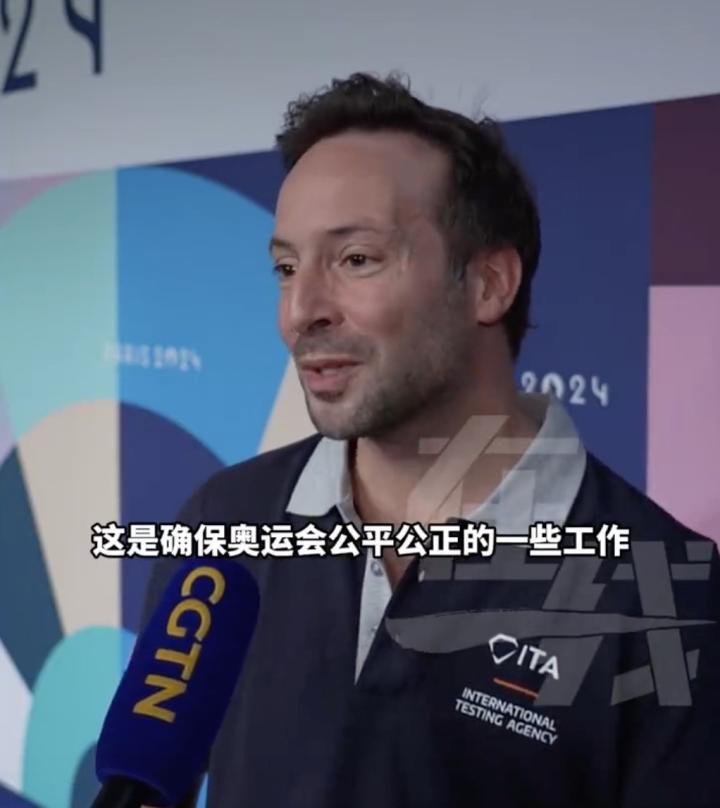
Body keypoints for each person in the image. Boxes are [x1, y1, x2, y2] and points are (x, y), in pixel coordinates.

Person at [144, 71, 720, 807]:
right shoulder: (222, 522)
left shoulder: (667, 595)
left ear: (488, 284)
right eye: (286, 267)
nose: (300, 311)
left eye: (356, 259)